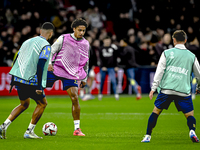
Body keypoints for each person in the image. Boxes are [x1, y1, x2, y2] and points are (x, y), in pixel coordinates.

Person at [141, 30, 200, 143]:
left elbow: (159, 71)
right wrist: (199, 87)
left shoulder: (166, 53)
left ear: (174, 40)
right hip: (183, 91)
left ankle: (147, 136)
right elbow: (199, 75)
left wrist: (153, 88)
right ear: (185, 40)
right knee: (189, 115)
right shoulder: (192, 56)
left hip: (166, 90)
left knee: (156, 111)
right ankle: (192, 131)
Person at [0, 22, 54, 139]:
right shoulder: (46, 45)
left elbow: (18, 59)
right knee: (42, 103)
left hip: (19, 78)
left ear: (40, 31)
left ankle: (3, 126)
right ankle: (29, 131)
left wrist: (12, 80)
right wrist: (39, 86)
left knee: (24, 104)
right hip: (31, 80)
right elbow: (41, 64)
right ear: (51, 33)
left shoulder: (27, 42)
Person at [47, 18, 89, 136]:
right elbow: (51, 50)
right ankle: (29, 126)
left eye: (84, 31)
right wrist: (49, 63)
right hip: (56, 68)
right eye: (79, 30)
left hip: (71, 73)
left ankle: (77, 129)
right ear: (74, 29)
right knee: (36, 90)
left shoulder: (85, 43)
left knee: (75, 97)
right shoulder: (64, 38)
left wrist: (84, 78)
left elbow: (85, 61)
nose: (81, 33)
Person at [98, 36, 119, 100]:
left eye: (108, 40)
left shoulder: (113, 48)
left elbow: (116, 58)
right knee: (102, 81)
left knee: (113, 81)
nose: (107, 41)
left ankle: (116, 94)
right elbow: (100, 58)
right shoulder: (101, 48)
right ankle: (100, 94)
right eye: (106, 40)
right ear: (104, 41)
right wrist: (102, 66)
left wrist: (116, 66)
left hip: (111, 67)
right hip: (103, 68)